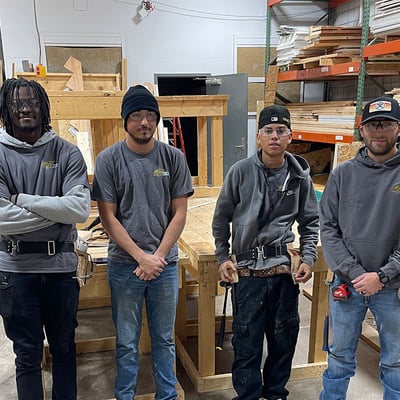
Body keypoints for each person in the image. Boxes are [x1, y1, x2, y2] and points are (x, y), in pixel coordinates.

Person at [92, 84, 193, 400]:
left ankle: (167, 395)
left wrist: (157, 257)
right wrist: (141, 257)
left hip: (164, 265)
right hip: (125, 267)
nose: (144, 122)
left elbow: (179, 213)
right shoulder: (108, 160)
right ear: (126, 120)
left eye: (150, 115)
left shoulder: (173, 158)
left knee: (164, 338)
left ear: (157, 120)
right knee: (126, 340)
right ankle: (125, 395)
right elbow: (108, 219)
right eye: (136, 115)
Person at [212, 104, 319, 400]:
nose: (274, 136)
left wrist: (308, 258)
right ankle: (248, 396)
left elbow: (311, 222)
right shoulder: (240, 172)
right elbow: (221, 218)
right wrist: (223, 257)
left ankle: (275, 395)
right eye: (268, 131)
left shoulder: (300, 178)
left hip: (283, 273)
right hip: (247, 273)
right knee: (246, 343)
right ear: (258, 136)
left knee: (283, 340)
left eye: (281, 131)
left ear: (290, 137)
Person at [0, 77, 91, 400]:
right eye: (17, 103)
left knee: (64, 349)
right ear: (6, 110)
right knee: (27, 355)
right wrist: (57, 210)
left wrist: (20, 199)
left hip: (60, 270)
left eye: (32, 102)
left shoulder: (67, 153)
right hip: (14, 271)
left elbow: (79, 209)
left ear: (44, 107)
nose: (25, 108)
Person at [319, 96, 400, 400]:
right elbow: (328, 229)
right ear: (361, 130)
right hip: (347, 285)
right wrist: (356, 274)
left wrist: (382, 275)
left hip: (392, 288)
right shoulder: (343, 175)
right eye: (373, 124)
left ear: (398, 128)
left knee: (395, 362)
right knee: (339, 359)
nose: (380, 131)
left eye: (387, 124)